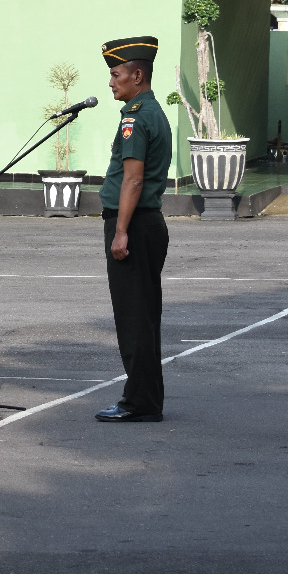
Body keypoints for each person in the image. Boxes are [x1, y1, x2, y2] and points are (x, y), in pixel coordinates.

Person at [95, 36, 171, 423]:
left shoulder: (136, 117)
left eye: (116, 74)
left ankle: (139, 401)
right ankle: (146, 397)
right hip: (147, 222)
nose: (111, 82)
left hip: (134, 224)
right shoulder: (153, 111)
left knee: (133, 316)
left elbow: (133, 179)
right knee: (144, 313)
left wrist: (120, 231)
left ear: (137, 76)